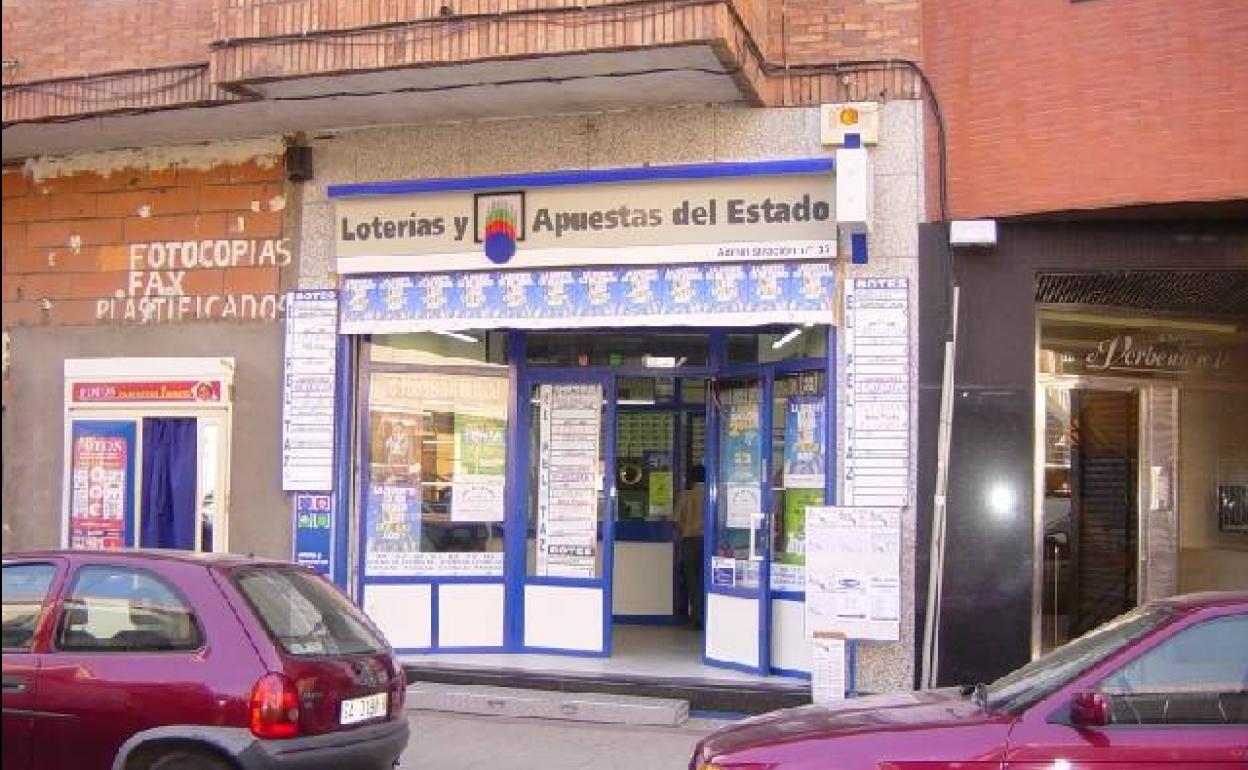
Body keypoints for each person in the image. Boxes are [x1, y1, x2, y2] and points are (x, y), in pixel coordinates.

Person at [675, 464, 706, 629]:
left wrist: (686, 529)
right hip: (708, 542)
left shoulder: (686, 496)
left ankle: (696, 617)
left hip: (689, 541)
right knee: (706, 579)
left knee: (691, 580)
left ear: (692, 478)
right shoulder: (711, 495)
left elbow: (676, 521)